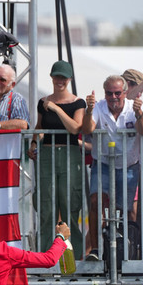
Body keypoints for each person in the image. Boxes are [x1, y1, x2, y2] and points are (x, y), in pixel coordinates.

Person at [82, 75, 143, 260]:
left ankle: (124, 250)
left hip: (129, 166)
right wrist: (88, 110)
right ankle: (95, 250)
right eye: (109, 93)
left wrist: (140, 114)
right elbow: (87, 129)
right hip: (102, 164)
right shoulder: (98, 107)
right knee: (95, 202)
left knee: (125, 210)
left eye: (117, 93)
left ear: (125, 93)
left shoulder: (133, 107)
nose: (113, 97)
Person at [26, 60, 86, 259]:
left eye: (63, 77)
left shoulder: (78, 103)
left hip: (69, 154)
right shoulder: (43, 103)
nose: (60, 81)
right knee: (46, 209)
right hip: (47, 156)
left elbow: (75, 128)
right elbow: (40, 126)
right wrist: (34, 144)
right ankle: (44, 257)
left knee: (70, 208)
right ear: (51, 77)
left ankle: (73, 257)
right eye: (57, 76)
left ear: (69, 79)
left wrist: (57, 108)